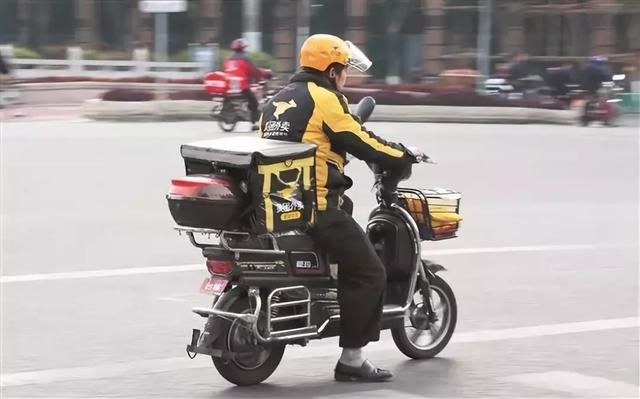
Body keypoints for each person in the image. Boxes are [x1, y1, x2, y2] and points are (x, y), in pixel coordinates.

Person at [259, 34, 424, 382]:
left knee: (349, 252)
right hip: (317, 209)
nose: (346, 76)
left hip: (279, 207)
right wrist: (403, 155)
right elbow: (360, 140)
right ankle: (352, 360)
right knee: (369, 271)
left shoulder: (276, 100)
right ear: (332, 71)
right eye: (344, 70)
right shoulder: (326, 99)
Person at [222, 38, 271, 131]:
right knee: (253, 102)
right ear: (244, 48)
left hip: (229, 87)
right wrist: (265, 73)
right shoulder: (245, 58)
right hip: (241, 86)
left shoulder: (228, 59)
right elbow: (254, 71)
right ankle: (254, 123)